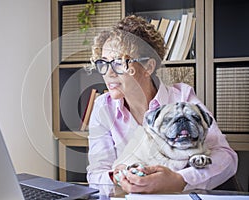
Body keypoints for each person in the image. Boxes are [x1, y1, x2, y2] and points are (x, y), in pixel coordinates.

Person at [86, 15, 238, 194]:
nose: (109, 73)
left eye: (119, 63)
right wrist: (118, 178)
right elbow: (96, 175)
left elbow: (226, 158)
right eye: (103, 63)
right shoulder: (103, 106)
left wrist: (180, 180)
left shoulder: (182, 96)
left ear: (148, 67)